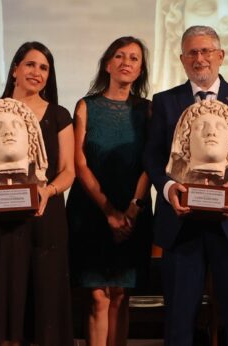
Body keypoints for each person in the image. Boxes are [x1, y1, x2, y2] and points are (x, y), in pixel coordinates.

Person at [143, 25, 228, 346]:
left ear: (220, 56)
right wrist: (170, 189)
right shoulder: (164, 101)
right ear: (182, 59)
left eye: (206, 51)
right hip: (180, 224)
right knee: (179, 319)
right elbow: (152, 154)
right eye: (192, 53)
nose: (199, 59)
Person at [0, 41, 75, 346]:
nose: (36, 72)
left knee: (44, 314)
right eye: (30, 64)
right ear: (15, 68)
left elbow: (68, 170)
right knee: (5, 312)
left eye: (44, 67)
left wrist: (48, 191)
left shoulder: (59, 114)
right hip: (0, 224)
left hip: (46, 220)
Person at [66, 36, 153, 346]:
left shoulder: (148, 110)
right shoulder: (86, 106)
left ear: (140, 69)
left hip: (135, 210)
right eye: (119, 55)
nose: (126, 62)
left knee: (120, 296)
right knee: (98, 296)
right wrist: (109, 212)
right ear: (107, 64)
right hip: (90, 211)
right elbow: (79, 163)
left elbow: (151, 164)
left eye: (133, 58)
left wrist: (131, 210)